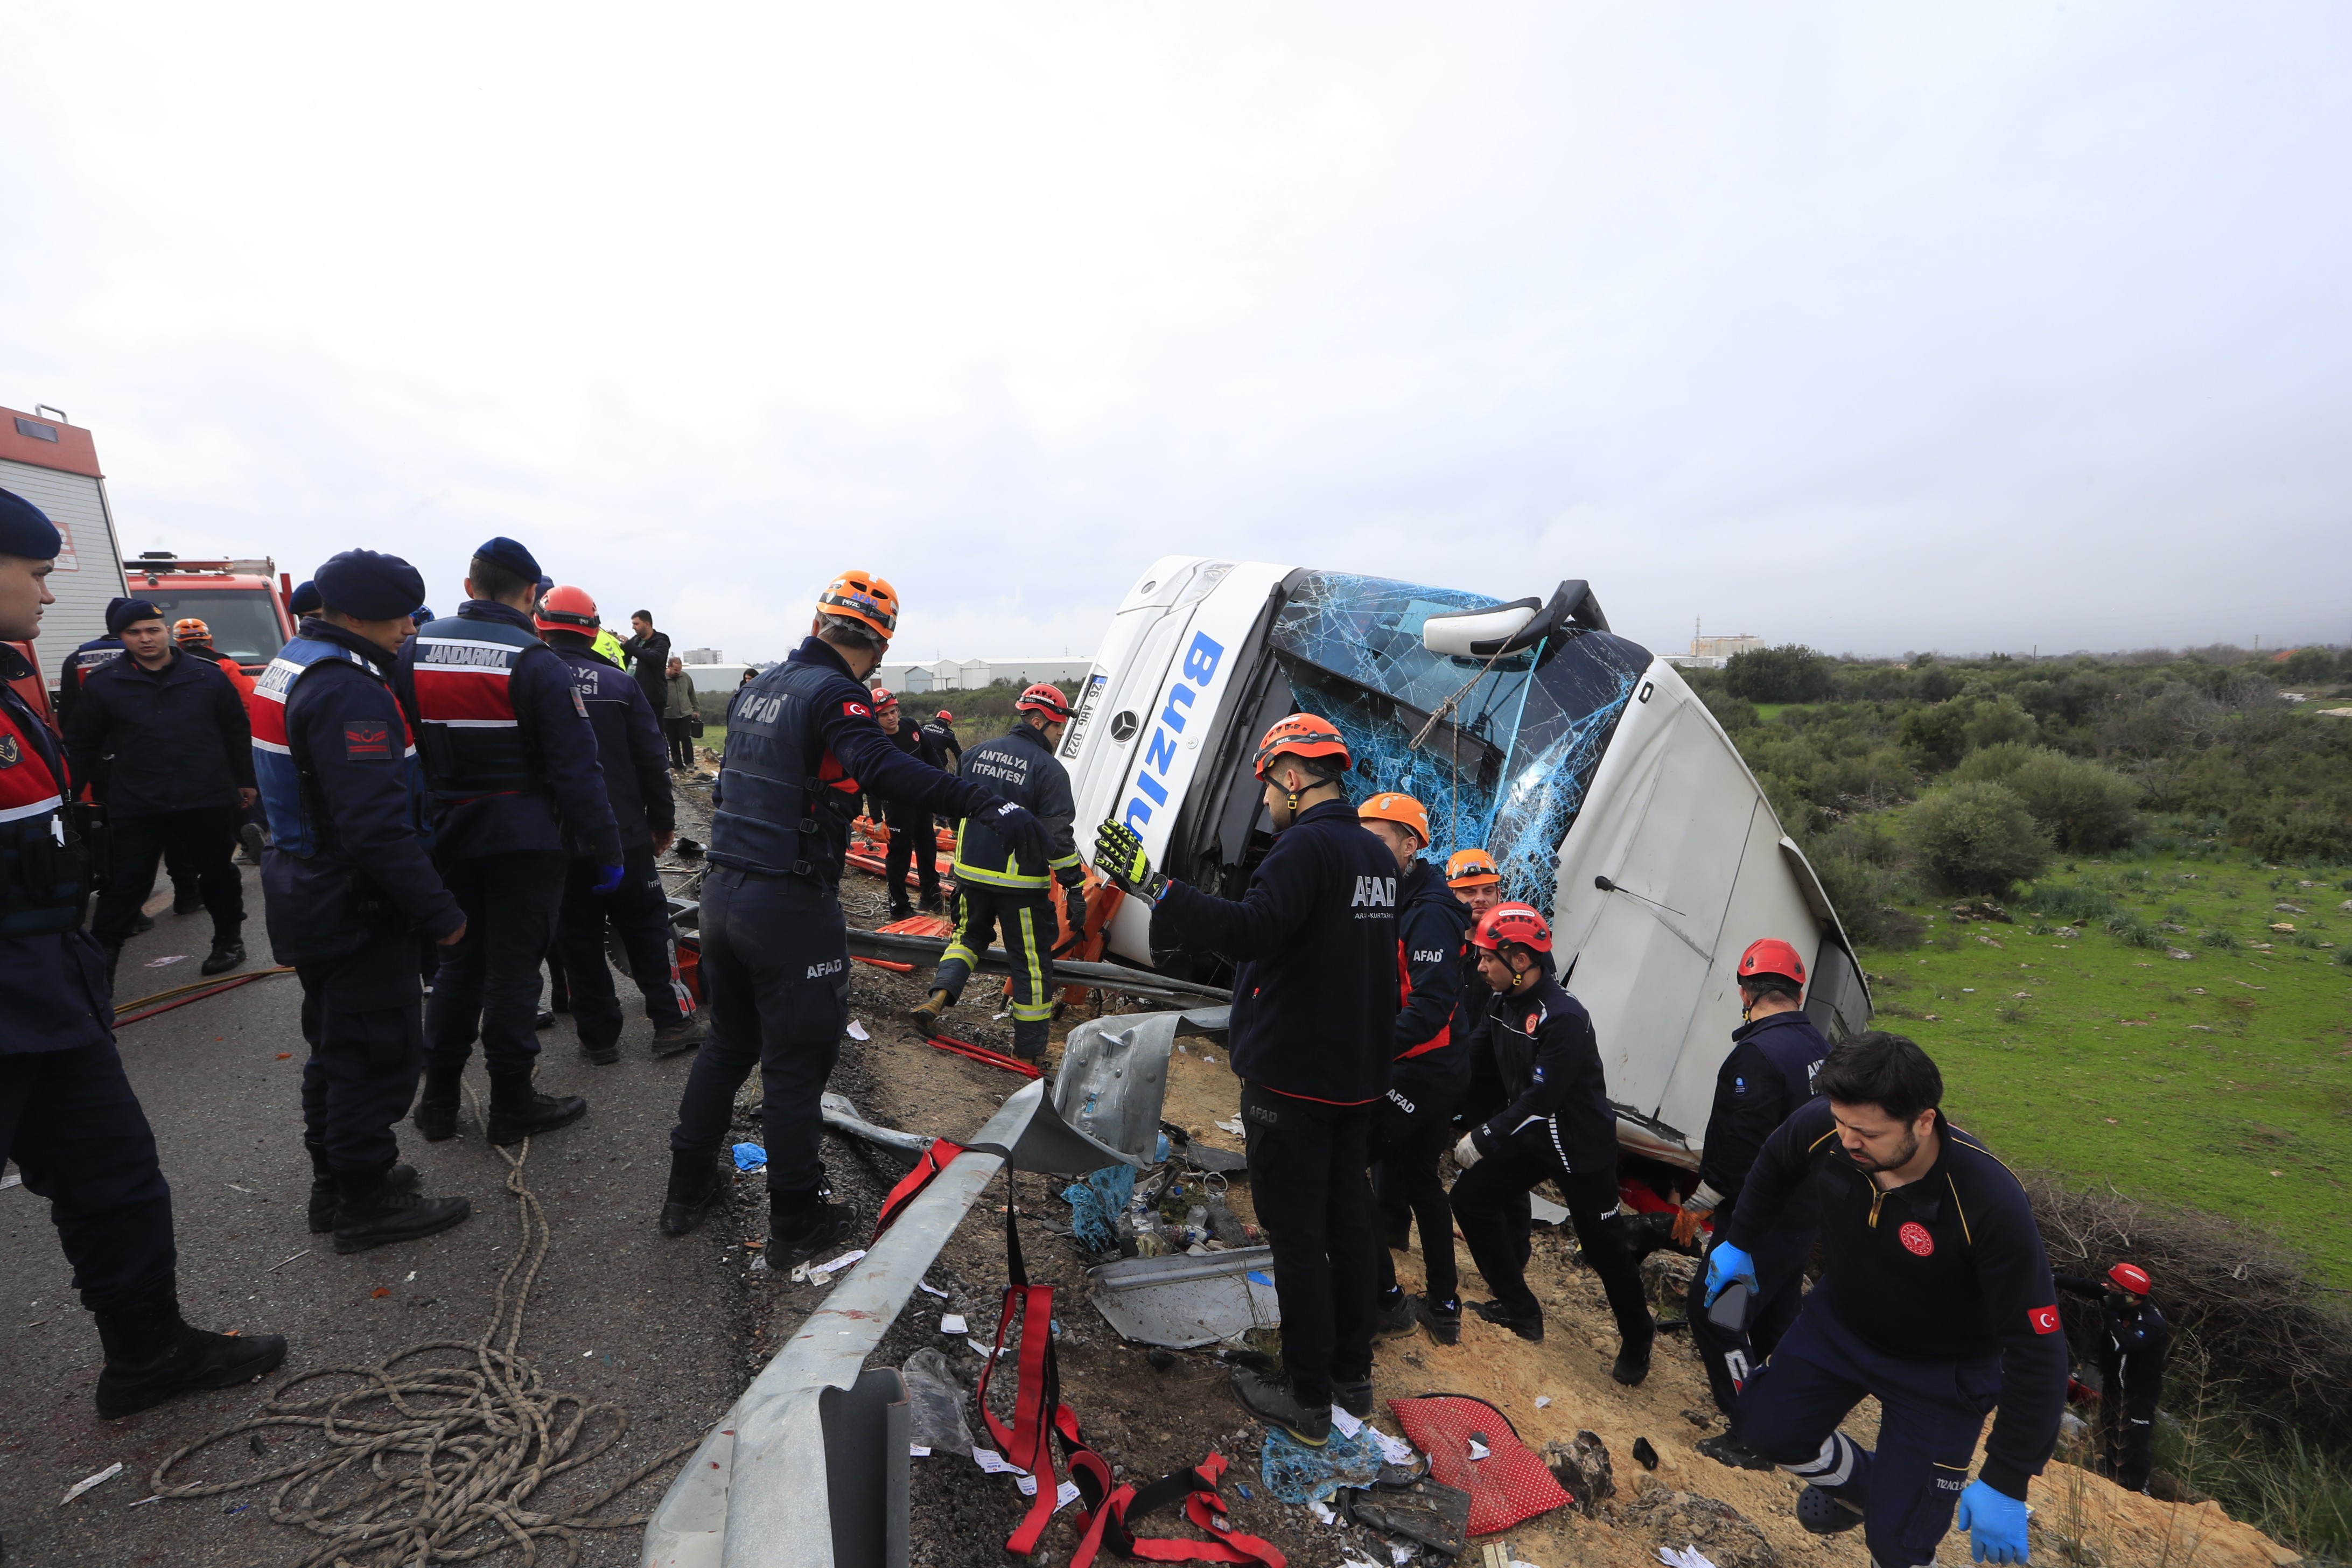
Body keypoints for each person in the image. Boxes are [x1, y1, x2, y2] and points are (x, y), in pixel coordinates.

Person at [659, 571, 1050, 1263]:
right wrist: (985, 803)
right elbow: (879, 766)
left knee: (728, 1043)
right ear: (881, 642)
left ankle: (686, 1189)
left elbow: (732, 786)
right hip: (787, 904)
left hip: (723, 893)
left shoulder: (760, 688)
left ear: (820, 623)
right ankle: (796, 1221)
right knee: (795, 1065)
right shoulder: (836, 693)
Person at [0, 485, 288, 1415]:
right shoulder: (93, 684)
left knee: (115, 1173)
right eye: (38, 574)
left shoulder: (12, 682)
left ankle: (148, 1350)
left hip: (52, 985)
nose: (49, 596)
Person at [1096, 713, 1398, 1444]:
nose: (1264, 801)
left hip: (1292, 1083)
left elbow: (1247, 932)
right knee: (1349, 1227)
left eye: (1268, 787)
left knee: (1296, 1240)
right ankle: (1352, 1377)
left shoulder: (1301, 851)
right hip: (1354, 1081)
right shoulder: (1377, 859)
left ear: (1293, 778)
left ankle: (1308, 1401)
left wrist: (1151, 886)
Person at [1704, 1033, 2067, 1568]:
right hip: (1840, 1326)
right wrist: (1740, 1241)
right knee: (1764, 1428)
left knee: (1897, 1546)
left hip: (1943, 1374)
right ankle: (1883, 1492)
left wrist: (2007, 1478)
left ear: (1923, 1121)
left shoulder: (1988, 1200)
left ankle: (1901, 1517)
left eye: (1868, 1133)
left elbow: (2039, 1347)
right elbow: (1776, 1161)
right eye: (1841, 1122)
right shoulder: (1831, 1127)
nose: (1847, 1140)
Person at [254, 549, 474, 1252]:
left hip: (306, 886)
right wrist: (442, 915)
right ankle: (364, 1202)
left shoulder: (293, 662)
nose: (409, 627)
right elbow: (376, 829)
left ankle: (338, 1180)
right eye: (398, 615)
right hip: (352, 900)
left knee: (335, 1043)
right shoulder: (349, 691)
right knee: (376, 1052)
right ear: (357, 615)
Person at [395, 537, 624, 1146]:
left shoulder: (414, 649)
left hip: (444, 832)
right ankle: (512, 1101)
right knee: (514, 971)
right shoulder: (535, 659)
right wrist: (605, 848)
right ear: (532, 595)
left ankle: (439, 1101)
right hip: (524, 838)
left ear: (470, 586)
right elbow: (577, 769)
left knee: (457, 967)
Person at [1449, 902, 1656, 1385]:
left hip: (1581, 1149)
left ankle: (1638, 1333)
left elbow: (1545, 1096)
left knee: (1604, 1248)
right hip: (1534, 1137)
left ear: (1520, 960)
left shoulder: (1562, 1017)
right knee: (1470, 1200)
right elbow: (1469, 1058)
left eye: (1487, 958)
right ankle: (1520, 1309)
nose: (1479, 968)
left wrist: (1484, 1136)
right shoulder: (1503, 1004)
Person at [1678, 939, 1833, 1469]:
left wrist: (1700, 1200)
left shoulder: (1757, 1054)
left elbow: (1744, 1145)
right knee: (1773, 1321)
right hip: (1801, 1212)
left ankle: (1754, 1431)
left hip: (1758, 1217)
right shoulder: (1820, 1046)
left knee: (1717, 1313)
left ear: (1746, 990)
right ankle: (1785, 1414)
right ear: (1797, 990)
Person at [535, 585, 703, 1063]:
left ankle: (598, 1037)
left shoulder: (524, 682)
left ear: (541, 626)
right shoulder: (618, 684)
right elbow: (653, 761)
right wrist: (662, 822)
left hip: (559, 842)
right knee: (649, 927)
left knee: (578, 938)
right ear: (592, 631)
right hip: (625, 835)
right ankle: (672, 1023)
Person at [67, 596, 257, 981]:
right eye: (134, 633)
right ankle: (101, 968)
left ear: (167, 630)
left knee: (217, 872)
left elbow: (236, 731)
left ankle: (228, 943)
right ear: (122, 638)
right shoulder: (105, 685)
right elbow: (82, 744)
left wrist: (246, 781)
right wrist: (68, 793)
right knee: (124, 885)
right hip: (138, 801)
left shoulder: (208, 675)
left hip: (205, 795)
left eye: (153, 630)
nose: (146, 639)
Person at [1354, 793, 1471, 1347]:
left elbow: (1429, 1006)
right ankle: (1445, 1305)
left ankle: (1386, 1300)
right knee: (1422, 1177)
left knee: (1346, 1162)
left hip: (1422, 1068)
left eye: (1379, 841)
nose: (1366, 851)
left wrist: (1368, 1045)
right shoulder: (1389, 892)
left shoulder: (1429, 910)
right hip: (1431, 1064)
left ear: (1410, 845)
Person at [908, 683, 1083, 1053]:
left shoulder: (974, 755)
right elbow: (1057, 839)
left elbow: (956, 810)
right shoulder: (1049, 771)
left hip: (970, 876)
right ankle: (1030, 1053)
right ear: (1038, 721)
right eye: (1056, 728)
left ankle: (937, 999)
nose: (1058, 736)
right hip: (1020, 886)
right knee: (1031, 966)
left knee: (966, 939)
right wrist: (1074, 885)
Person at [2055, 1262, 2168, 1493]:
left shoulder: (2152, 1322)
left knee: (2135, 1439)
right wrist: (2048, 1275)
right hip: (2115, 1382)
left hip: (2140, 1390)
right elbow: (2085, 1286)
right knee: (2110, 1424)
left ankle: (2138, 1488)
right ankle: (2109, 1466)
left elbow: (2122, 1344)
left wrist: (2112, 1315)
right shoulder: (2117, 1298)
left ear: (2129, 1295)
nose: (2106, 1287)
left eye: (2112, 1286)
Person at [176, 617, 270, 863]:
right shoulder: (226, 666)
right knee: (249, 785)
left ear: (178, 643)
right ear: (210, 640)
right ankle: (255, 827)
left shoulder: (175, 668)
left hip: (197, 744)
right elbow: (248, 701)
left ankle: (238, 837)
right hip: (233, 737)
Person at [867, 686, 948, 920]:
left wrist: (944, 785)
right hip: (897, 805)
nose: (891, 718)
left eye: (893, 712)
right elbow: (871, 781)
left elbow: (930, 756)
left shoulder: (912, 726)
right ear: (876, 717)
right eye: (884, 715)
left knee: (927, 846)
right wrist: (876, 820)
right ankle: (899, 906)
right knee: (899, 855)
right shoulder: (876, 739)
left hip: (922, 800)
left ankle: (930, 896)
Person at [620, 609, 670, 718]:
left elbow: (653, 658)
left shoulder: (661, 641)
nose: (633, 627)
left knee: (655, 731)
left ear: (647, 624)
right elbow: (623, 659)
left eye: (636, 624)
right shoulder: (635, 641)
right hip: (632, 693)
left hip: (652, 697)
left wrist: (630, 646)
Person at [663, 656, 698, 771]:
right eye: (676, 670)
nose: (678, 672)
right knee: (673, 741)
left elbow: (692, 694)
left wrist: (696, 709)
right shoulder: (662, 678)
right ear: (669, 667)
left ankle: (690, 764)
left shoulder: (686, 677)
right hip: (668, 715)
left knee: (685, 737)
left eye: (679, 669)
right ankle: (678, 765)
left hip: (685, 713)